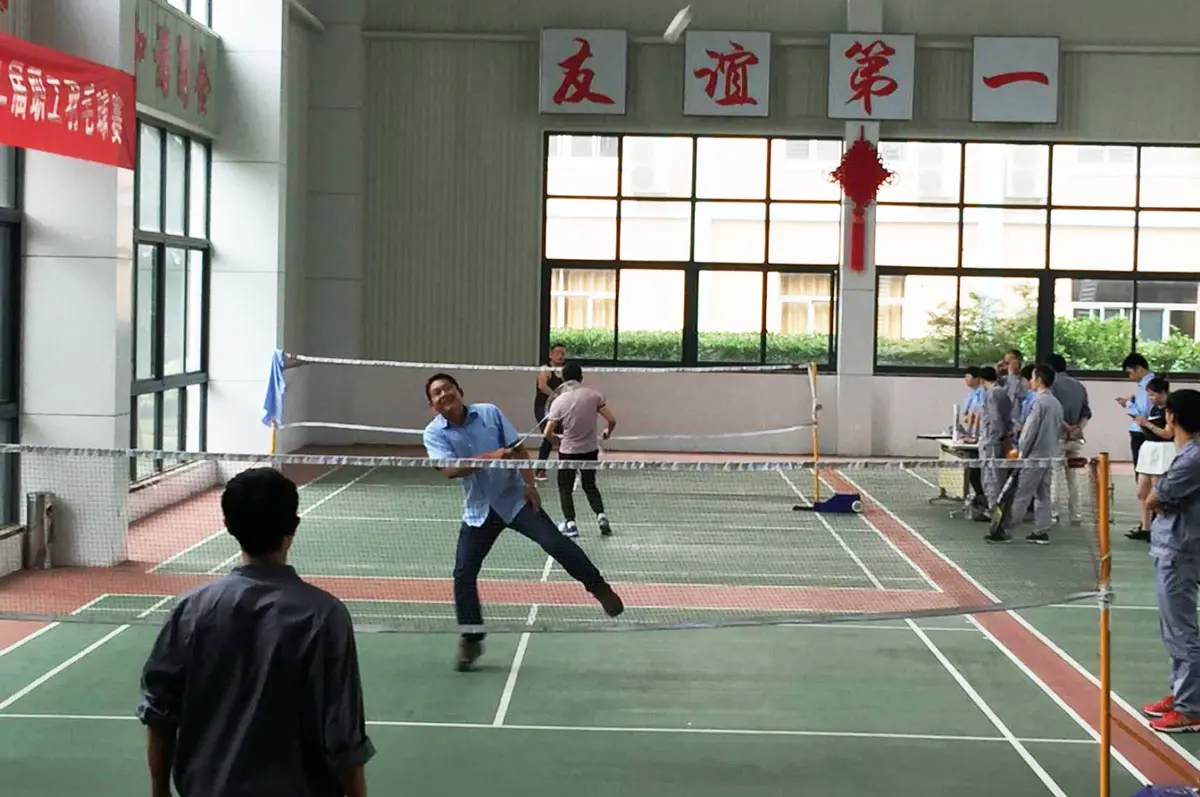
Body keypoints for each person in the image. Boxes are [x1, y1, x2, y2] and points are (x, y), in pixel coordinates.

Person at [137, 468, 374, 797]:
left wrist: (159, 792)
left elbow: (160, 713)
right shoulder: (325, 616)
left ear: (228, 525)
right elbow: (343, 734)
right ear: (293, 527)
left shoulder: (190, 609)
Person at [421, 372, 625, 671]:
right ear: (432, 405)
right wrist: (491, 456)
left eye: (447, 388)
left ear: (459, 391)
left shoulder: (489, 412)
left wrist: (529, 485)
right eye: (437, 393)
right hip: (479, 510)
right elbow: (450, 470)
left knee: (555, 543)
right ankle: (472, 638)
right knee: (463, 572)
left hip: (515, 498)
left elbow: (518, 449)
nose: (443, 394)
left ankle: (599, 588)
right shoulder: (433, 433)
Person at [1141, 388, 1200, 733]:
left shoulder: (1193, 458)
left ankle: (1190, 708)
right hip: (1177, 546)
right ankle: (1181, 693)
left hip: (1180, 550)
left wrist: (1159, 498)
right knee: (1175, 629)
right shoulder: (1188, 453)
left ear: (1172, 417)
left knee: (1180, 630)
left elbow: (1153, 499)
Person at [987, 364, 1063, 545]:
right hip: (1049, 455)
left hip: (1033, 457)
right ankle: (1041, 531)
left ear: (1039, 380)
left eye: (1032, 378)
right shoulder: (1056, 403)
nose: (1029, 381)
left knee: (1022, 494)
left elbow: (1030, 431)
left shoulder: (1038, 402)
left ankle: (1005, 530)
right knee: (1043, 494)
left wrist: (1021, 452)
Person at [544, 363, 617, 538]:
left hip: (568, 451)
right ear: (581, 378)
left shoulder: (559, 401)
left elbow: (547, 433)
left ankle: (570, 524)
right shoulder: (594, 395)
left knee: (565, 488)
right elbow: (612, 420)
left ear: (563, 379)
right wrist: (607, 432)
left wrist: (557, 441)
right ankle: (601, 517)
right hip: (590, 450)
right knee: (589, 484)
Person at [1047, 353, 1092, 526]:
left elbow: (1054, 412)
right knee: (1073, 477)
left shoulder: (1051, 386)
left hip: (1057, 437)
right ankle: (1076, 514)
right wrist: (1078, 428)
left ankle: (1053, 513)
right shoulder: (1079, 386)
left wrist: (1067, 427)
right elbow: (1086, 412)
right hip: (1076, 438)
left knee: (1054, 476)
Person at [1131, 377, 1176, 542]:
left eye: (1153, 395)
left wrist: (1148, 424)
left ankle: (1163, 527)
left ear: (1163, 393)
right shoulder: (1154, 409)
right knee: (1141, 491)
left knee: (1157, 493)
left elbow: (1167, 434)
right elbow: (1152, 430)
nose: (1151, 398)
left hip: (1163, 450)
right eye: (1148, 395)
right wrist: (1143, 425)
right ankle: (1145, 527)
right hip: (1149, 448)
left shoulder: (1170, 410)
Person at [975, 366, 1013, 522]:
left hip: (991, 441)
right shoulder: (1003, 392)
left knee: (990, 477)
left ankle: (993, 509)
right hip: (1001, 439)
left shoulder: (991, 394)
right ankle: (1000, 507)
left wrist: (996, 436)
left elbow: (995, 418)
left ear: (981, 380)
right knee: (999, 475)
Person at [1117, 352, 1156, 489]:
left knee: (1142, 470)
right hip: (1144, 430)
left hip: (1141, 431)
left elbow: (1143, 412)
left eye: (1130, 373)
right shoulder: (1148, 383)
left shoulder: (1147, 385)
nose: (1130, 377)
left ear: (1139, 368)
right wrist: (1133, 400)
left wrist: (1127, 404)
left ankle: (1145, 497)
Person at [533, 344, 567, 481]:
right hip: (543, 408)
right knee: (548, 436)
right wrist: (555, 396)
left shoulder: (565, 371)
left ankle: (566, 468)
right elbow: (542, 386)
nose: (560, 356)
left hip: (559, 409)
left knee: (563, 438)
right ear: (551, 355)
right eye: (557, 353)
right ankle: (540, 470)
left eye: (563, 353)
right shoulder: (545, 369)